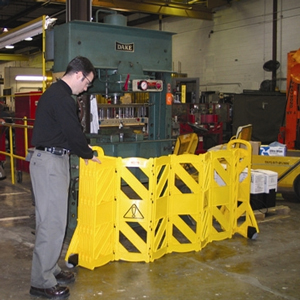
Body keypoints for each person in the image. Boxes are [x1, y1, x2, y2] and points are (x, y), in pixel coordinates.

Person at [29, 56, 101, 299]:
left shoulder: (56, 93)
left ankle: (50, 268)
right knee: (51, 223)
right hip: (50, 164)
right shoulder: (62, 98)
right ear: (79, 75)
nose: (87, 87)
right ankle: (41, 281)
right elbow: (73, 132)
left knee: (53, 221)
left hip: (52, 161)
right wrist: (88, 154)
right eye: (88, 82)